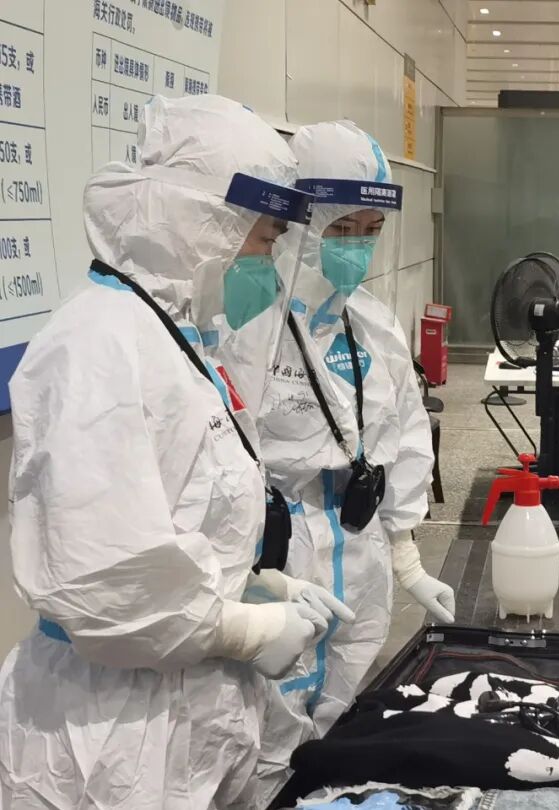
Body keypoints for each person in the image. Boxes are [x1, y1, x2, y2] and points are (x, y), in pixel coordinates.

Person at [0, 94, 353, 810]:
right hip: (110, 735)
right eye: (263, 240)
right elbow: (101, 575)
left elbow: (184, 505)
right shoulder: (97, 345)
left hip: (183, 712)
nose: (268, 262)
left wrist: (250, 584)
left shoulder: (171, 333)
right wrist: (240, 626)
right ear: (201, 224)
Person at [252, 120, 454, 794]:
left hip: (358, 550)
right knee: (264, 733)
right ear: (300, 223)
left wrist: (407, 559)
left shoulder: (371, 325)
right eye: (342, 229)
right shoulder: (247, 323)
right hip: (279, 556)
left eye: (371, 230)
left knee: (340, 724)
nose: (358, 246)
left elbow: (404, 438)